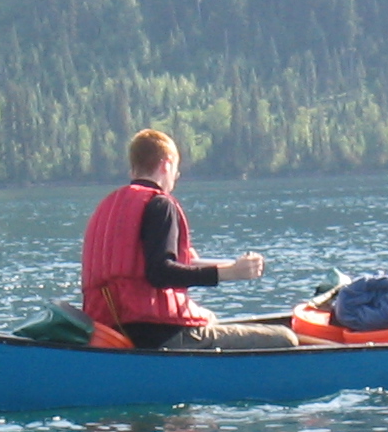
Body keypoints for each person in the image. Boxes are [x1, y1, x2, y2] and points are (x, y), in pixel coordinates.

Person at [81, 129, 301, 351]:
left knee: (209, 318)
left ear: (133, 167)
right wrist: (230, 273)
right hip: (158, 336)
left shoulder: (108, 207)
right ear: (166, 165)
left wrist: (230, 264)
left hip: (110, 330)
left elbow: (141, 265)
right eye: (176, 169)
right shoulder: (160, 205)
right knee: (286, 338)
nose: (176, 177)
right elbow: (160, 272)